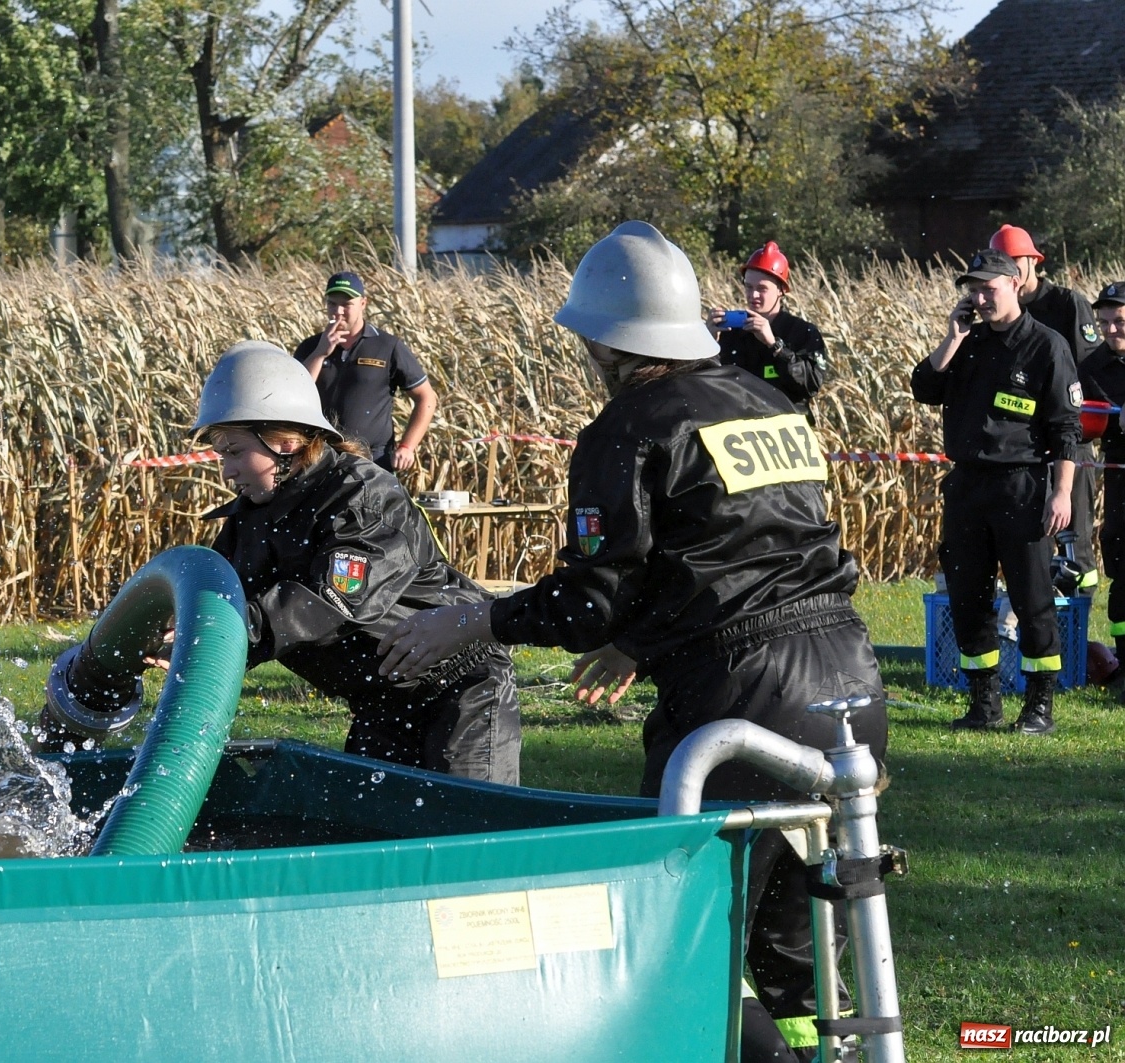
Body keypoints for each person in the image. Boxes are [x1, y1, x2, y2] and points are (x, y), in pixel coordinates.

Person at [377, 221, 887, 1062]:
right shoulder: (766, 399)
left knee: (686, 936)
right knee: (795, 951)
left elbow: (590, 600)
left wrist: (473, 618)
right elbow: (741, 556)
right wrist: (642, 645)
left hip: (741, 703)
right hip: (852, 683)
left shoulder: (628, 427)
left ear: (604, 342)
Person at [197, 340, 518, 782]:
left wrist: (228, 630)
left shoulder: (363, 495)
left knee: (465, 834)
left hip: (460, 686)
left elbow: (336, 600)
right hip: (381, 701)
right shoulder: (253, 516)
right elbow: (217, 594)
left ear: (286, 441)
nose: (226, 472)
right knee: (371, 839)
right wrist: (177, 630)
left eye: (234, 452)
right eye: (221, 455)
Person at [911, 248, 1082, 735]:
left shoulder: (1046, 346)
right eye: (974, 289)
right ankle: (984, 703)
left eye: (989, 287)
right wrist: (952, 336)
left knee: (1032, 601)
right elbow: (924, 387)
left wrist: (1062, 493)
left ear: (1014, 284)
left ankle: (1038, 706)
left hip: (1022, 486)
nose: (981, 297)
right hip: (967, 486)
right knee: (968, 596)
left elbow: (1066, 429)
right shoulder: (968, 341)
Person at [990, 224, 1104, 590]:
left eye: (1015, 261)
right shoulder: (998, 313)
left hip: (1067, 440)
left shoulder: (1067, 305)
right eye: (1001, 263)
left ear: (1033, 262)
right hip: (1021, 445)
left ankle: (1079, 612)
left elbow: (1089, 373)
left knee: (1074, 541)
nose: (1009, 269)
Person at [293, 272, 437, 472]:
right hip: (320, 457)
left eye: (346, 304)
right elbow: (294, 394)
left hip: (373, 459)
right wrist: (320, 353)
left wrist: (407, 447)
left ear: (363, 303)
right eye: (332, 304)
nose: (338, 311)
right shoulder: (310, 347)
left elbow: (427, 397)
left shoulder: (387, 346)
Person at [708, 240, 828, 422]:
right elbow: (705, 387)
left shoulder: (802, 333)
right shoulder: (729, 331)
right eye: (748, 287)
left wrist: (775, 346)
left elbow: (811, 384)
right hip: (737, 433)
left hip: (785, 434)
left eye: (762, 288)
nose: (753, 295)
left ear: (781, 290)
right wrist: (708, 344)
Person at [1078, 281, 1125, 700]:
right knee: (1123, 574)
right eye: (1106, 322)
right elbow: (1079, 419)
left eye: (1120, 321)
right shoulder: (1092, 367)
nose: (1112, 330)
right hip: (1119, 477)